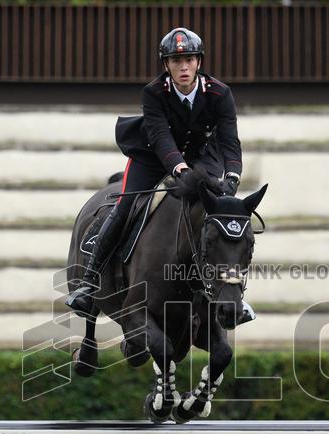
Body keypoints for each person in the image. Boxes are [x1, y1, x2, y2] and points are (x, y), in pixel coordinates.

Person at [66, 27, 247, 319]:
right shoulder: (153, 92)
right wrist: (179, 168)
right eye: (176, 61)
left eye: (189, 59)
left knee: (226, 214)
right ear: (166, 66)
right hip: (153, 157)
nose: (183, 66)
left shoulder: (219, 93)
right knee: (125, 205)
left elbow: (229, 140)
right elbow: (162, 138)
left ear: (199, 62)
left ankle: (235, 292)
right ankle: (89, 283)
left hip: (201, 156)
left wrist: (233, 176)